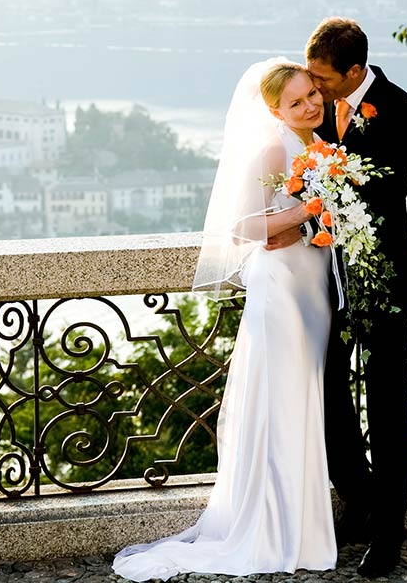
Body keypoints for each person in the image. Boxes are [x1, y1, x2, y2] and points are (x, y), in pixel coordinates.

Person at [112, 59, 336, 581]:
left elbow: (321, 216)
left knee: (303, 401)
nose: (309, 106)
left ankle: (302, 529)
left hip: (311, 285)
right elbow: (242, 227)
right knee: (278, 401)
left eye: (311, 95)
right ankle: (272, 530)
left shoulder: (319, 146)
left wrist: (324, 213)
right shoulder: (275, 146)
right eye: (296, 102)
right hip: (279, 287)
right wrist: (309, 211)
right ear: (274, 110)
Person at [267, 17, 407, 577]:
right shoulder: (317, 110)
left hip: (382, 277)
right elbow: (306, 181)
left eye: (322, 78)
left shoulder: (400, 110)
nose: (314, 87)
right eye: (308, 78)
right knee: (329, 391)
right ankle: (358, 499)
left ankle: (390, 532)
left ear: (354, 71)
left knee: (385, 406)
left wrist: (304, 222)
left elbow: (377, 195)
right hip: (328, 278)